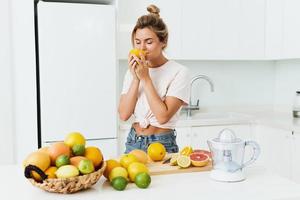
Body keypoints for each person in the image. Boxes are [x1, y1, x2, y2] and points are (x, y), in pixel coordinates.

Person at [118, 5, 190, 153]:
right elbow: (124, 114)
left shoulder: (179, 72)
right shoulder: (132, 71)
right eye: (137, 42)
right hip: (133, 141)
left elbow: (163, 116)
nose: (142, 48)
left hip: (162, 145)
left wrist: (145, 78)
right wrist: (136, 78)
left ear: (163, 41)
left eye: (149, 42)